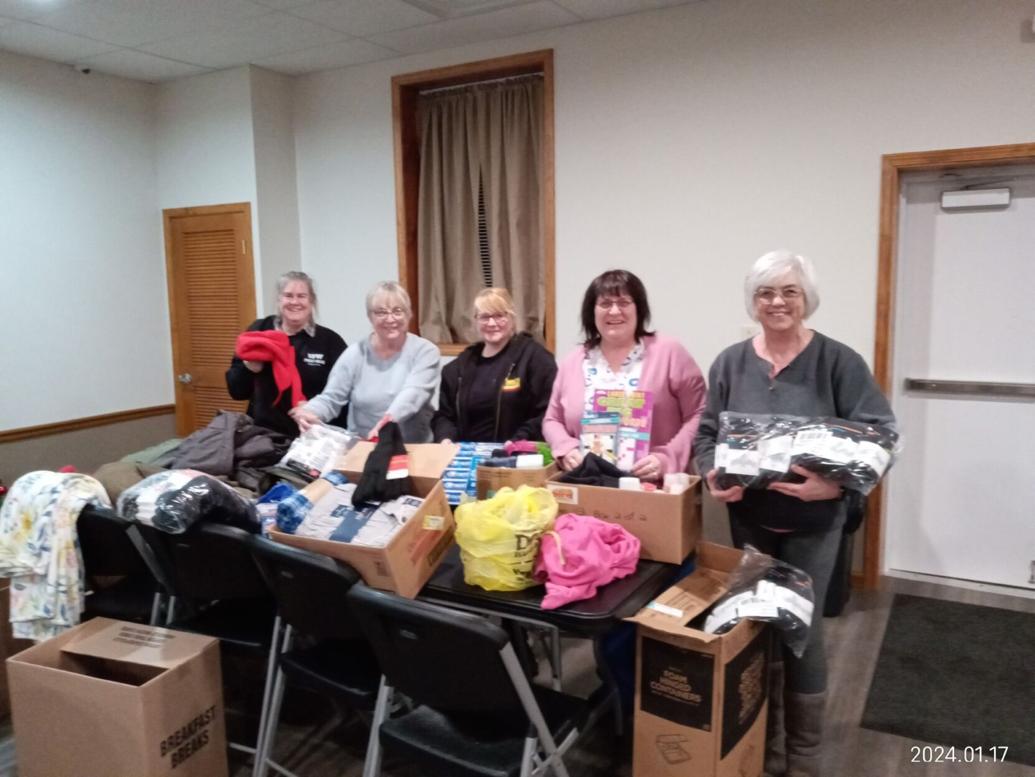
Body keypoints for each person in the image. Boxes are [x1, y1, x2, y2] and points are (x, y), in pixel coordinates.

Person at [693, 250, 896, 777]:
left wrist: (833, 488)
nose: (777, 301)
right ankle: (761, 743)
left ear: (806, 299)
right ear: (753, 301)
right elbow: (707, 433)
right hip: (750, 521)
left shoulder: (838, 361)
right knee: (758, 624)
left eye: (789, 291)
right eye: (766, 292)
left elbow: (881, 435)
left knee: (800, 629)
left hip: (815, 524)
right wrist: (714, 472)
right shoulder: (731, 362)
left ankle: (804, 760)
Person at [542, 269, 707, 482]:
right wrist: (566, 448)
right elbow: (552, 420)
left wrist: (667, 458)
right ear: (591, 312)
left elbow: (701, 413)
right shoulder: (573, 361)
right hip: (589, 484)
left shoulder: (669, 352)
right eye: (605, 304)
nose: (614, 311)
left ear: (639, 308)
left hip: (655, 490)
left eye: (623, 302)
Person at [290, 281, 440, 442]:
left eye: (398, 311)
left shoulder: (425, 351)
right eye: (381, 312)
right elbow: (331, 397)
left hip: (413, 447)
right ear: (370, 316)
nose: (390, 319)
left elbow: (413, 394)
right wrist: (310, 411)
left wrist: (387, 421)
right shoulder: (355, 354)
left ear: (409, 314)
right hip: (364, 446)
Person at [226, 271, 347, 437]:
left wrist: (316, 408)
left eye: (301, 296)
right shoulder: (259, 331)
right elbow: (236, 391)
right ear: (279, 299)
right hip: (263, 437)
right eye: (288, 295)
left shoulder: (329, 341)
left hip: (311, 437)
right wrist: (248, 369)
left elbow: (344, 394)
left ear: (311, 301)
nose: (295, 302)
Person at [432, 288, 557, 443]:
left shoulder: (536, 359)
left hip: (518, 455)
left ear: (512, 317)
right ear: (476, 320)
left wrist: (518, 441)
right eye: (484, 317)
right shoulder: (459, 367)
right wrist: (445, 439)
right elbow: (445, 416)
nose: (492, 323)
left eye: (499, 316)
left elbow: (548, 413)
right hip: (465, 457)